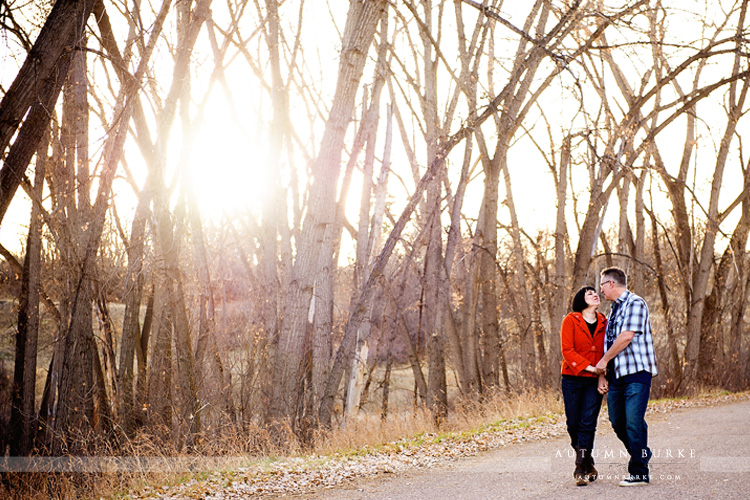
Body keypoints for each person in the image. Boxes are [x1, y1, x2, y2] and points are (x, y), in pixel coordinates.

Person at [595, 267, 658, 487]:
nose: (600, 290)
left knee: (633, 422)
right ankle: (642, 453)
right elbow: (608, 342)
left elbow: (626, 337)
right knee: (618, 421)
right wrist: (604, 374)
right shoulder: (613, 311)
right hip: (616, 376)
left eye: (602, 285)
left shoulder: (635, 303)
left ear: (611, 284)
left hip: (636, 373)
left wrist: (603, 360)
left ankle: (639, 472)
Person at [560, 286, 607, 486]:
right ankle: (588, 462)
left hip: (594, 380)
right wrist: (590, 368)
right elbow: (567, 350)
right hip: (572, 377)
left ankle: (579, 468)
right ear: (581, 299)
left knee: (588, 423)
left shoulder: (605, 321)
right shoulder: (571, 320)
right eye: (589, 293)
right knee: (573, 424)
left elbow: (608, 349)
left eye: (595, 292)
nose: (595, 294)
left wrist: (602, 375)